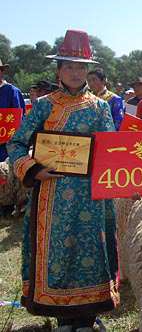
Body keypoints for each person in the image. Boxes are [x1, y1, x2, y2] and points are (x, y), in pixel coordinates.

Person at [7, 30, 118, 332]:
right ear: (58, 70)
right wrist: (33, 170)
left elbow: (111, 149)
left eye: (80, 67)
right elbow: (16, 143)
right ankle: (62, 318)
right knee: (56, 254)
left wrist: (126, 182)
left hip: (91, 196)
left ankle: (85, 318)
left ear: (88, 70)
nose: (75, 72)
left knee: (90, 253)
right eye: (68, 66)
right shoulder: (44, 105)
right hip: (51, 194)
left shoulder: (100, 107)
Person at [0, 58, 26, 160]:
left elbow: (18, 120)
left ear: (1, 71)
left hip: (5, 150)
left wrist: (5, 138)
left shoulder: (11, 91)